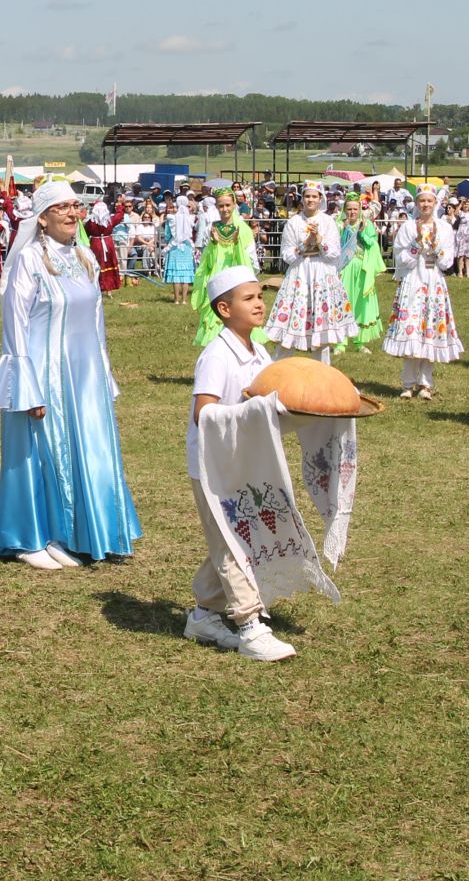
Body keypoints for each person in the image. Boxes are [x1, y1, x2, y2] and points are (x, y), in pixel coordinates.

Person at [0, 181, 140, 569]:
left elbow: (96, 320)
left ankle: (78, 533)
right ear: (44, 218)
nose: (72, 214)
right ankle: (30, 537)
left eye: (75, 207)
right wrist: (26, 386)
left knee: (86, 450)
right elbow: (14, 323)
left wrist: (103, 374)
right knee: (39, 452)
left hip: (83, 376)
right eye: (63, 208)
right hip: (43, 371)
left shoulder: (85, 256)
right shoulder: (30, 259)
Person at [180, 266, 296, 662]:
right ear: (224, 309)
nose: (260, 302)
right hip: (213, 467)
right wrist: (253, 412)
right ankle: (248, 626)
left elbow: (268, 397)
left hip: (245, 461)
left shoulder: (258, 350)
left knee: (235, 538)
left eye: (260, 295)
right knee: (232, 542)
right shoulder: (216, 355)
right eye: (249, 298)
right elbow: (203, 412)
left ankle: (202, 616)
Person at [383, 187, 461, 400]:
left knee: (430, 329)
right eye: (422, 201)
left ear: (435, 203)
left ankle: (426, 383)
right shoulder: (408, 227)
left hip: (433, 282)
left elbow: (446, 262)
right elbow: (401, 260)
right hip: (413, 282)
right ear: (417, 204)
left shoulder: (444, 228)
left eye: (429, 201)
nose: (426, 205)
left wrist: (436, 248)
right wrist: (417, 244)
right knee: (411, 329)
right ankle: (408, 383)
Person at [265, 182, 355, 361]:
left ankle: (322, 373)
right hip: (300, 272)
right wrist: (305, 243)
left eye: (314, 196)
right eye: (307, 196)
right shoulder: (294, 222)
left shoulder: (327, 221)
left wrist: (320, 240)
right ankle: (278, 369)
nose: (310, 200)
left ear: (320, 198)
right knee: (292, 321)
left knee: (321, 329)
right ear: (302, 198)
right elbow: (287, 256)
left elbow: (334, 254)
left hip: (322, 272)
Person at [190, 190, 259, 346]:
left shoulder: (243, 229)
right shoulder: (214, 228)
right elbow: (207, 261)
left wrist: (236, 245)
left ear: (234, 205)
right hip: (218, 277)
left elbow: (251, 262)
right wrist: (214, 244)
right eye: (221, 206)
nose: (225, 209)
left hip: (236, 280)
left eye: (228, 205)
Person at [338, 196, 385, 352]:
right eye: (349, 209)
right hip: (344, 267)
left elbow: (372, 243)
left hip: (362, 266)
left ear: (359, 210)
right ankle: (341, 342)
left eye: (355, 209)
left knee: (360, 303)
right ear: (345, 210)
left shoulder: (366, 224)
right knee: (343, 302)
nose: (352, 212)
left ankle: (359, 341)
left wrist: (363, 232)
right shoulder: (339, 225)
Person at [84, 197, 127, 294]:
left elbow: (85, 232)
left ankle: (99, 286)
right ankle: (109, 289)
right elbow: (119, 215)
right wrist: (120, 205)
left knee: (98, 264)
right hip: (108, 244)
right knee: (108, 263)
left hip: (96, 244)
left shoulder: (91, 223)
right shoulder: (110, 221)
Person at [161, 195, 197, 304]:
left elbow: (167, 234)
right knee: (185, 274)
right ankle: (184, 300)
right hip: (186, 247)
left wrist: (168, 242)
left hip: (174, 246)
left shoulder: (171, 218)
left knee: (176, 274)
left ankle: (176, 300)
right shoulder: (191, 217)